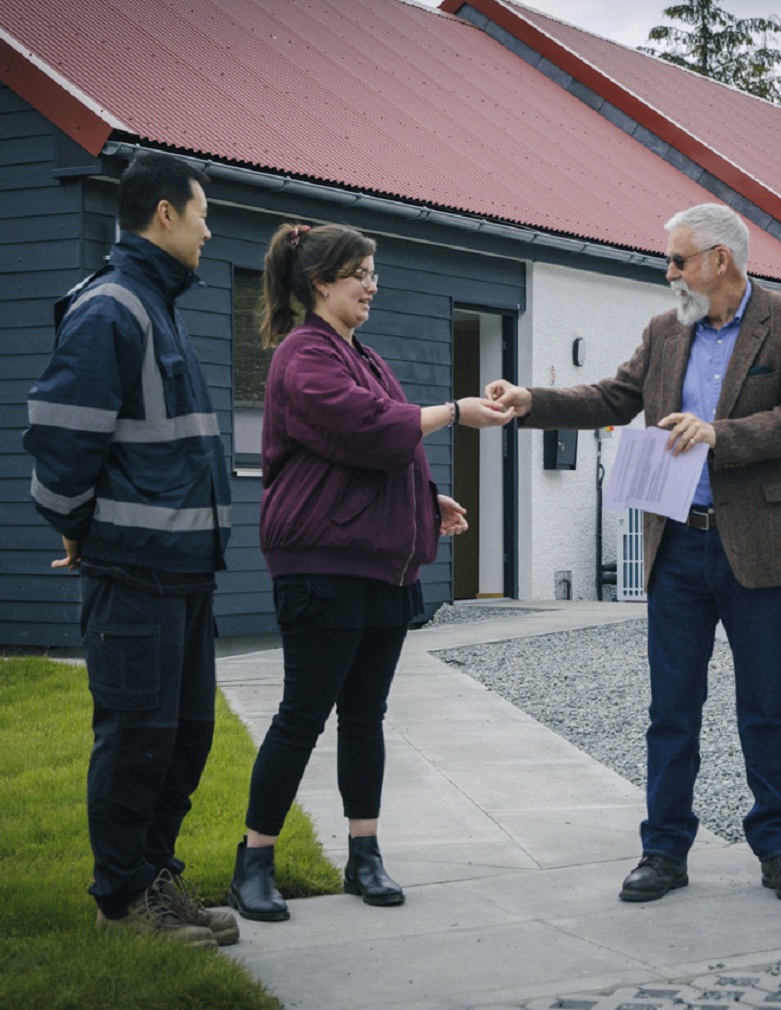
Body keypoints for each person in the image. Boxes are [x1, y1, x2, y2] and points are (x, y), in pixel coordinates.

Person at [486, 203, 781, 904]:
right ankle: (664, 851)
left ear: (720, 261)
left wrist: (716, 433)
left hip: (760, 544)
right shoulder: (664, 330)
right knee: (672, 708)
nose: (667, 271)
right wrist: (530, 400)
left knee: (767, 706)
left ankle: (779, 848)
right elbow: (613, 394)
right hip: (676, 548)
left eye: (678, 260)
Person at [228, 222, 514, 922]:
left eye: (373, 271)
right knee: (303, 715)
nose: (372, 283)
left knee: (365, 715)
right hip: (323, 568)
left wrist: (425, 499)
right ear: (321, 282)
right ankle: (254, 862)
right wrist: (454, 411)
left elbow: (384, 445)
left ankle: (365, 856)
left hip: (381, 568)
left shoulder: (365, 355)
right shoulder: (303, 354)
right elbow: (362, 427)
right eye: (359, 272)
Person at [25, 153, 237, 947]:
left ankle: (155, 877)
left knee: (184, 739)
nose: (210, 229)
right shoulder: (111, 309)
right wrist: (81, 531)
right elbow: (59, 442)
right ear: (165, 215)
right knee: (137, 741)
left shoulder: (160, 303)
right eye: (203, 212)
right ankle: (122, 906)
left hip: (184, 577)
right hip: (136, 578)